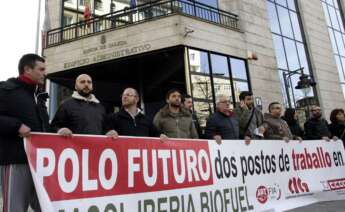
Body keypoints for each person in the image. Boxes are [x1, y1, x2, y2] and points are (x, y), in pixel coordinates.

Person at [0, 54, 50, 212]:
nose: (44, 73)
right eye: (41, 69)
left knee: (47, 207)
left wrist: (58, 131)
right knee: (15, 208)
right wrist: (16, 126)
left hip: (40, 163)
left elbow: (43, 128)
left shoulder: (38, 97)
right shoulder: (6, 89)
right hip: (16, 160)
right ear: (27, 69)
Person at [51, 74, 117, 137]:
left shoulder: (100, 107)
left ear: (92, 86)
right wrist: (59, 130)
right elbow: (53, 127)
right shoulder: (66, 105)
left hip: (96, 147)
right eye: (82, 82)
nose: (86, 84)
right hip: (74, 147)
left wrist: (110, 132)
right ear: (76, 86)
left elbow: (106, 128)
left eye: (89, 82)